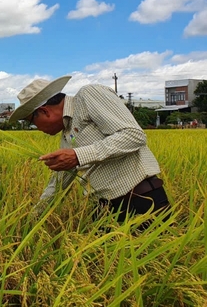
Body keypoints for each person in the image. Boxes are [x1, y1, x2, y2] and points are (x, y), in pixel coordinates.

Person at [9, 76, 170, 230]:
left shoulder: (89, 96)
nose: (37, 128)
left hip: (141, 202)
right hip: (104, 212)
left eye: (32, 121)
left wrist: (78, 156)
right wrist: (32, 218)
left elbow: (133, 135)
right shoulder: (66, 135)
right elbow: (58, 184)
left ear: (44, 111)